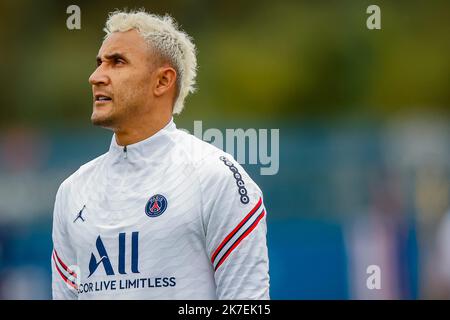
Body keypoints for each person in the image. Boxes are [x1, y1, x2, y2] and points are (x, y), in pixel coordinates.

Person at [51, 9, 270, 299]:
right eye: (99, 63)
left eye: (117, 62)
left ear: (162, 81)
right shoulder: (72, 191)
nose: (96, 76)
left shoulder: (214, 177)